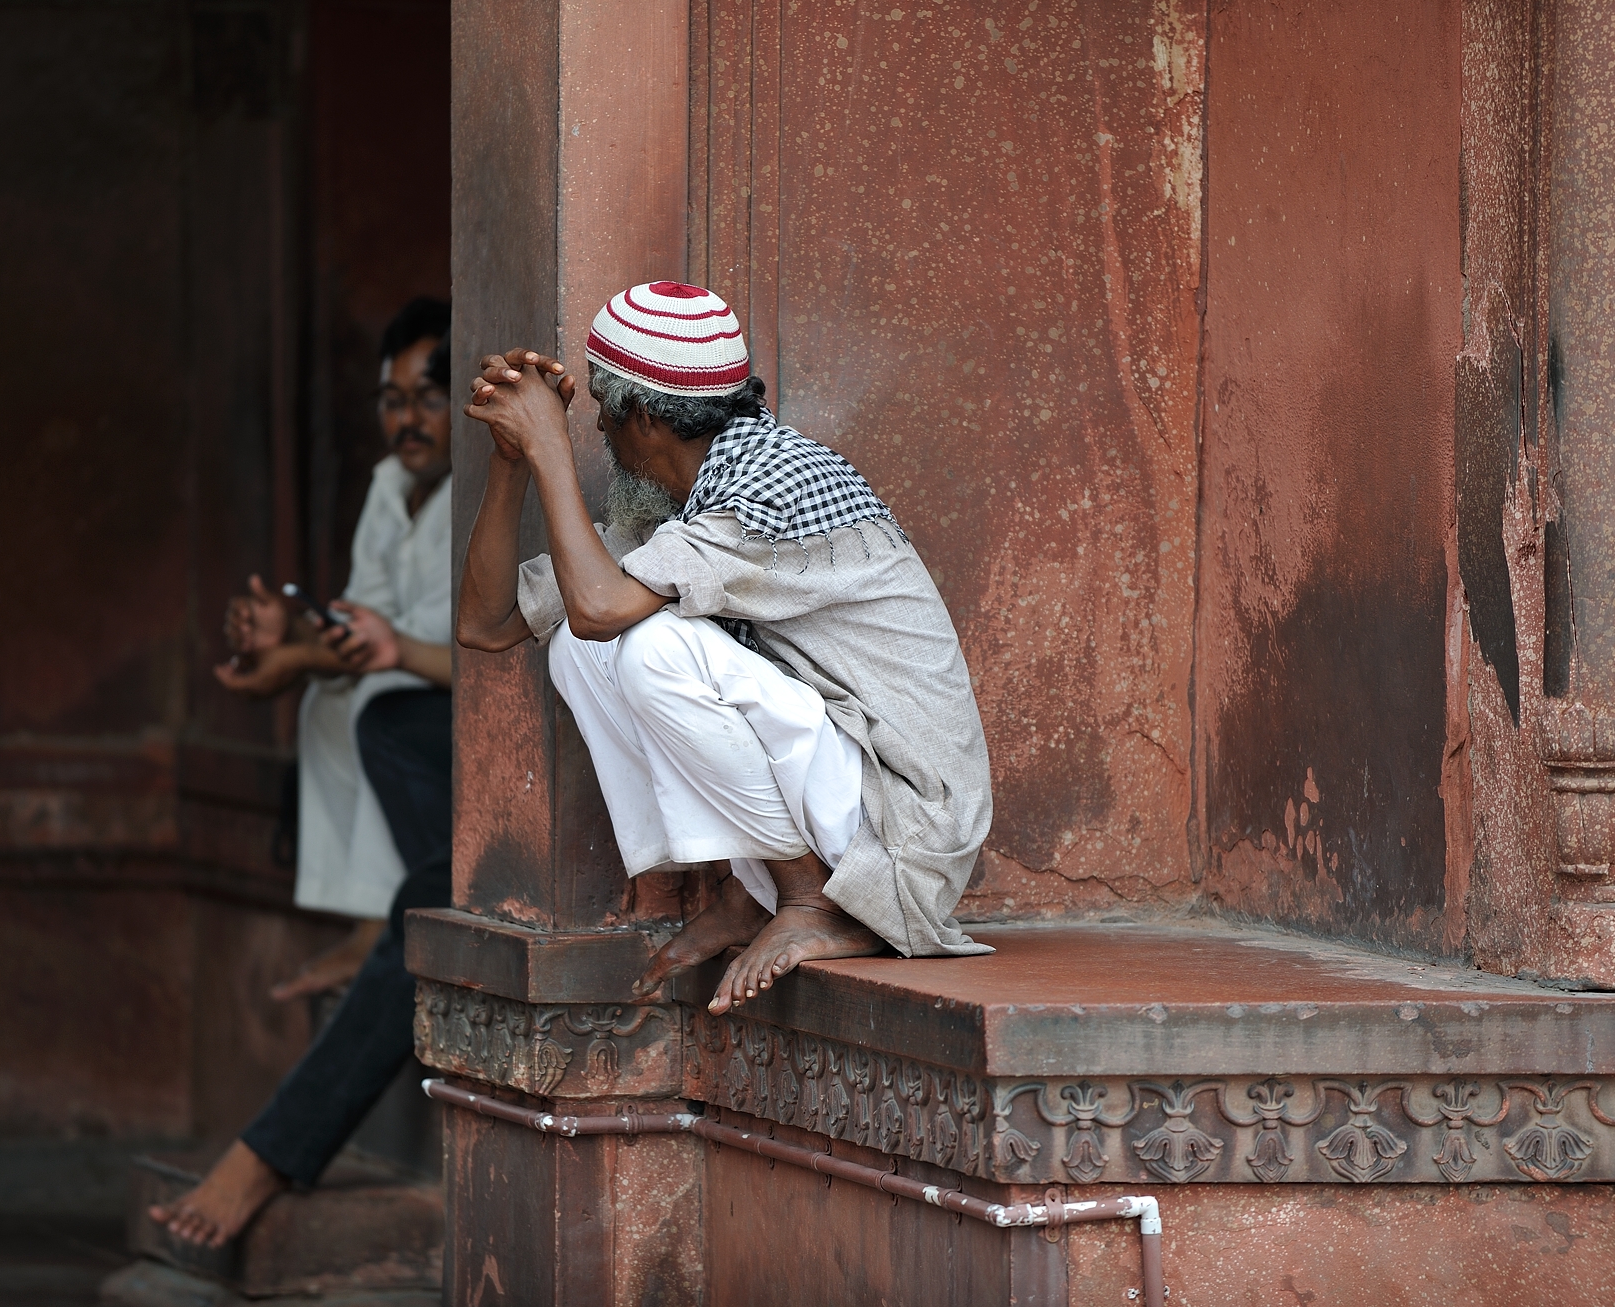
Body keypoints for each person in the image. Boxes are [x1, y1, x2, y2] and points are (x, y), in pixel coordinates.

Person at [456, 280, 993, 1017]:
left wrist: (550, 444)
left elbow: (600, 608)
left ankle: (813, 901)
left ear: (641, 415)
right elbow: (485, 625)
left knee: (647, 648)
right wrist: (513, 459)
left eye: (603, 419)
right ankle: (758, 891)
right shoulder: (677, 509)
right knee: (579, 653)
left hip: (904, 823)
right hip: (843, 798)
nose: (599, 437)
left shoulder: (774, 479)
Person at [148, 297, 455, 1247]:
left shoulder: (490, 487)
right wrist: (290, 644)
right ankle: (376, 911)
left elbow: (496, 658)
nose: (406, 417)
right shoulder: (386, 488)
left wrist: (357, 649)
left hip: (509, 750)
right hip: (426, 717)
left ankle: (265, 1154)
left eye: (428, 396)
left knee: (391, 742)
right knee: (347, 704)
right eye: (391, 398)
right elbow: (360, 637)